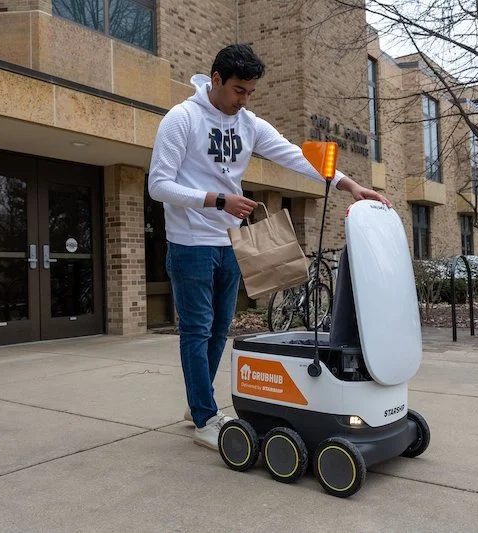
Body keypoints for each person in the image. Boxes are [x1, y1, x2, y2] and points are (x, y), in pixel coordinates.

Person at [148, 43, 390, 451]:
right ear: (217, 80)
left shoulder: (249, 123)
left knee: (219, 329)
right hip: (190, 242)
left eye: (251, 93)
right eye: (239, 90)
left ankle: (197, 404)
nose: (244, 100)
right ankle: (206, 417)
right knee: (196, 329)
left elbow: (297, 158)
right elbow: (159, 186)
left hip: (231, 241)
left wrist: (348, 184)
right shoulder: (181, 119)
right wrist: (218, 200)